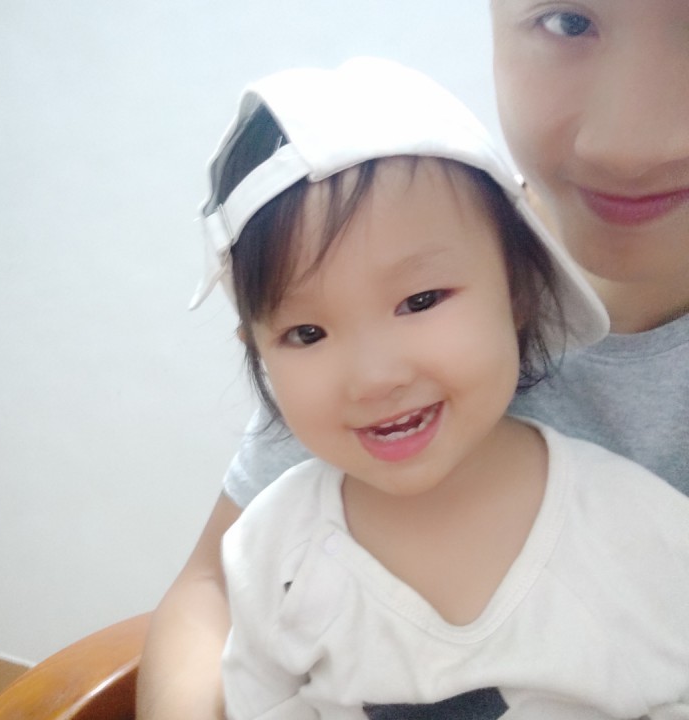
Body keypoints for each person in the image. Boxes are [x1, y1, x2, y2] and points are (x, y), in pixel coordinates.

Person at [136, 3, 689, 718]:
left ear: (521, 296)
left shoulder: (637, 527)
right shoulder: (291, 527)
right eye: (569, 21)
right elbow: (211, 592)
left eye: (421, 300)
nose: (628, 146)